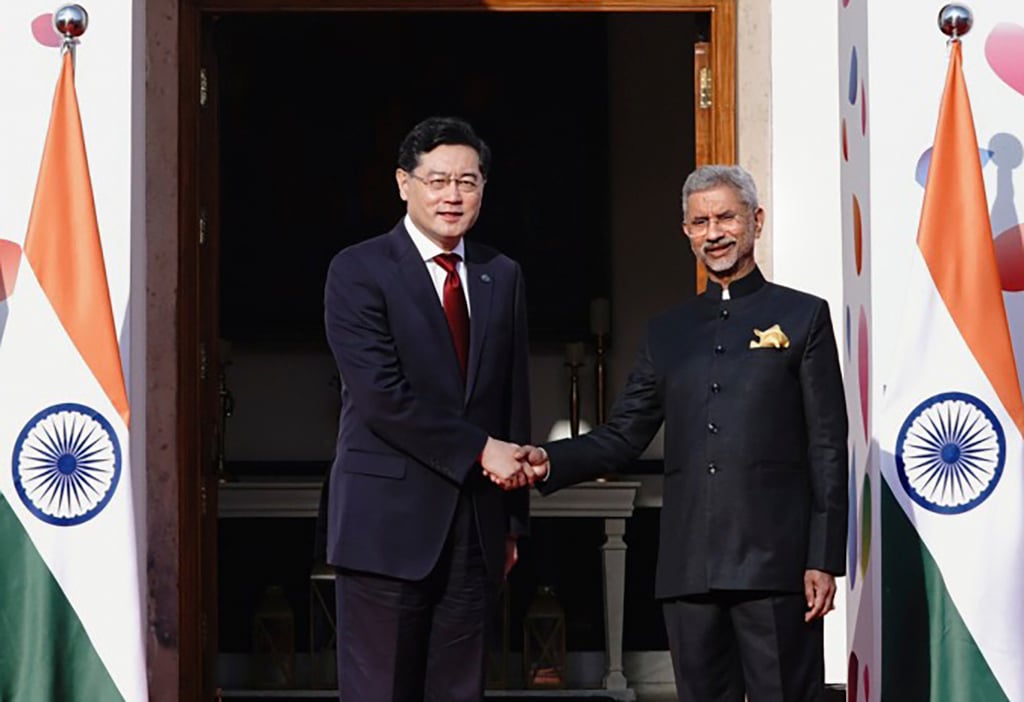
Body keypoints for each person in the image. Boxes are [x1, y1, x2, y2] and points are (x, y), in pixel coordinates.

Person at [513, 165, 848, 701]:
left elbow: (828, 445)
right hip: (688, 568)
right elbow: (624, 435)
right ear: (687, 232)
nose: (713, 232)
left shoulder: (803, 316)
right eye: (699, 222)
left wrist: (824, 557)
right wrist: (547, 461)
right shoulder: (666, 332)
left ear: (755, 221)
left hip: (777, 566)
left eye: (725, 217)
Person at [323, 116, 533, 702]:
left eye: (468, 181)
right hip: (385, 525)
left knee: (460, 690)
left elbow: (511, 397)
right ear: (403, 184)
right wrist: (477, 449)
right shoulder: (358, 270)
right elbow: (380, 396)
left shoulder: (501, 274)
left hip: (476, 528)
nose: (453, 195)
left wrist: (512, 518)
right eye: (438, 180)